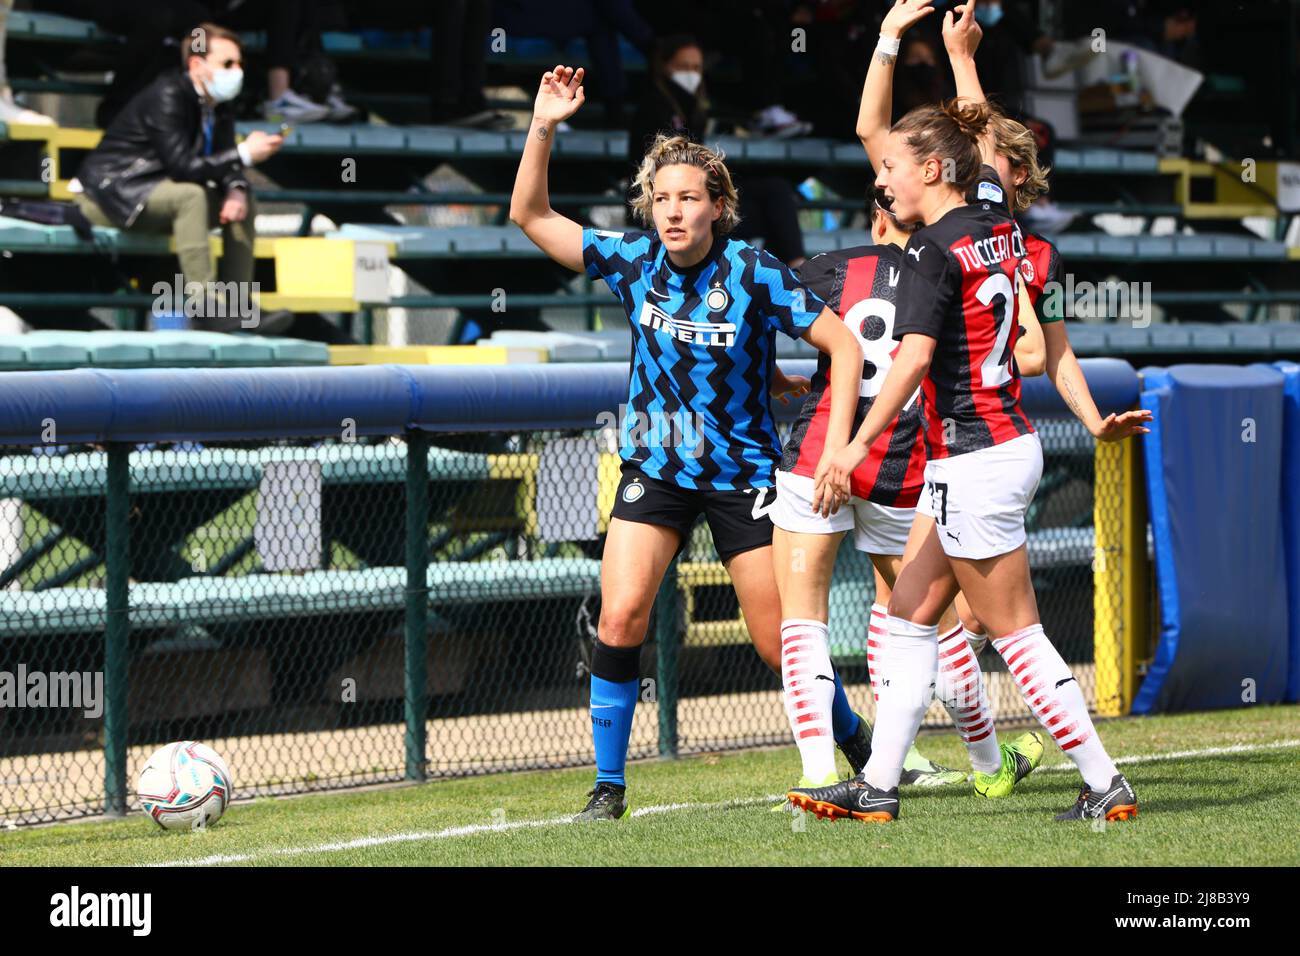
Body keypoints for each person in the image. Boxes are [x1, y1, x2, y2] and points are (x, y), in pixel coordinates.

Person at [790, 11, 1151, 825]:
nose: (883, 179)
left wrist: (847, 444)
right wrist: (960, 58)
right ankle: (877, 785)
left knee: (1016, 633)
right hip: (997, 445)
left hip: (970, 454)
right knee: (913, 617)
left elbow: (914, 363)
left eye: (897, 168)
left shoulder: (928, 251)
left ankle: (1103, 781)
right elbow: (983, 142)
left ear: (933, 169)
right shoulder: (1005, 229)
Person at [509, 64, 865, 821]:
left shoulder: (755, 271)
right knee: (619, 617)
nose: (671, 212)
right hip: (655, 466)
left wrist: (834, 446)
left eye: (688, 199)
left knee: (778, 647)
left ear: (718, 207)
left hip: (744, 476)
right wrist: (543, 124)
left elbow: (843, 346)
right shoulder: (634, 261)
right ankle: (608, 788)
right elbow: (531, 216)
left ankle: (859, 747)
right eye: (660, 199)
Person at [773, 184, 1048, 807]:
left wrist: (773, 378)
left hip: (822, 447)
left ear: (877, 222)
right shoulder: (953, 268)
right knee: (930, 622)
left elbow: (756, 311)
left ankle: (819, 772)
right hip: (902, 460)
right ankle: (986, 763)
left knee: (803, 620)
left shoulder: (831, 269)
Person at [73, 23, 290, 333]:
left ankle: (237, 306)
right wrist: (244, 154)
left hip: (158, 195)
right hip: (110, 195)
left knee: (243, 200)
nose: (237, 71)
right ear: (196, 65)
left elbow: (223, 162)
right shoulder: (167, 95)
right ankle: (205, 305)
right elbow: (183, 167)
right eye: (227, 64)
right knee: (192, 196)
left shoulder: (219, 105)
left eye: (240, 63)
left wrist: (237, 187)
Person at [628, 34, 808, 267]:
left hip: (695, 198)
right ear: (664, 66)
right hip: (662, 203)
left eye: (696, 67)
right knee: (773, 215)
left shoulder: (693, 105)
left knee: (777, 193)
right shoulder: (654, 105)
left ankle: (794, 271)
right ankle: (794, 274)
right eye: (683, 66)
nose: (691, 73)